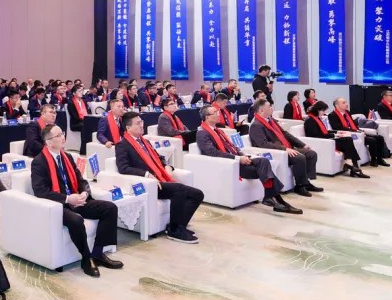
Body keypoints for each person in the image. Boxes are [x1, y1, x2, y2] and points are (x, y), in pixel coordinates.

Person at [31, 125, 122, 276]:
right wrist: (67, 199)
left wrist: (84, 192)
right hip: (59, 205)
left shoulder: (67, 157)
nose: (63, 137)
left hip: (77, 200)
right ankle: (86, 258)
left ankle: (98, 253)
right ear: (49, 142)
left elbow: (81, 179)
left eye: (62, 133)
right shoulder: (39, 162)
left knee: (110, 208)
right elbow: (40, 191)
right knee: (76, 220)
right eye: (58, 135)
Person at [115, 112, 204, 243]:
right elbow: (123, 168)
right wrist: (146, 174)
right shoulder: (122, 145)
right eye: (138, 123)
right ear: (128, 128)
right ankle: (175, 231)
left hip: (160, 178)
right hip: (148, 184)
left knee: (198, 194)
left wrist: (168, 166)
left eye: (141, 122)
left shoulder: (144, 141)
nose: (142, 125)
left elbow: (159, 157)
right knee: (178, 190)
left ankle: (178, 226)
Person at [196, 105, 301, 214]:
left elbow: (232, 147)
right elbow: (212, 152)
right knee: (264, 170)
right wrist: (238, 158)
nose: (218, 114)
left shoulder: (217, 131)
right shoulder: (202, 133)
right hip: (230, 165)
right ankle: (278, 200)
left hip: (237, 159)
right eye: (215, 112)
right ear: (207, 117)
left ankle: (270, 197)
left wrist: (242, 155)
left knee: (264, 161)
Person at [248, 99, 323, 197]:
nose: (271, 108)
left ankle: (306, 182)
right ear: (261, 110)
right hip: (276, 152)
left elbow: (285, 133)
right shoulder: (256, 125)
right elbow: (264, 144)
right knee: (299, 157)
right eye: (269, 106)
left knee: (311, 154)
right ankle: (300, 186)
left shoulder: (271, 120)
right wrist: (284, 149)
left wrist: (302, 144)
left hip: (286, 147)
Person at [304, 101, 369, 178]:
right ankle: (353, 167)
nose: (324, 113)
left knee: (348, 140)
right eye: (323, 111)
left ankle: (351, 165)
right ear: (318, 110)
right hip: (323, 142)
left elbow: (324, 131)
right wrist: (334, 135)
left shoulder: (316, 118)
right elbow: (316, 135)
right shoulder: (310, 120)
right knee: (348, 141)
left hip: (326, 139)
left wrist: (337, 132)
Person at [329, 97, 390, 166]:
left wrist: (359, 130)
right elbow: (338, 128)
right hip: (349, 135)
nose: (346, 104)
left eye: (346, 102)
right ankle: (373, 159)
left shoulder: (347, 113)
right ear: (337, 105)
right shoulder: (332, 115)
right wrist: (356, 131)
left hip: (356, 132)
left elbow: (353, 124)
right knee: (372, 140)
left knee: (380, 138)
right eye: (344, 103)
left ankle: (379, 159)